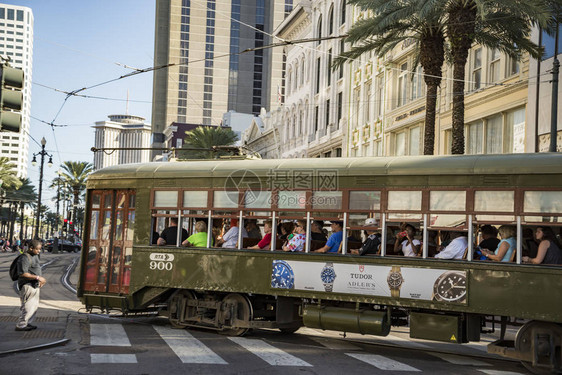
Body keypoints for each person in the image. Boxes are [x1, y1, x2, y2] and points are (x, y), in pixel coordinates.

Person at [15, 239, 47, 331]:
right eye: (37, 249)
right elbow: (23, 273)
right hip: (27, 285)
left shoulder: (35, 255)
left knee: (33, 306)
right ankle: (21, 325)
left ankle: (27, 323)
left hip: (34, 285)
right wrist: (38, 277)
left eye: (40, 249)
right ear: (31, 248)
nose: (39, 251)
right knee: (27, 306)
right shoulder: (24, 258)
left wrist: (39, 279)